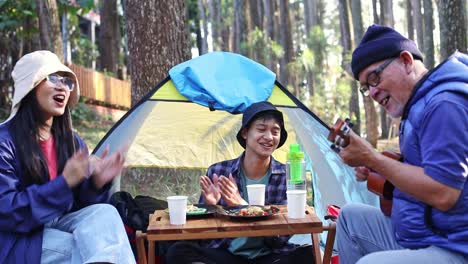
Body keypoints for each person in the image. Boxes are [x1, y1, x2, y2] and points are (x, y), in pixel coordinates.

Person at [335, 24, 468, 263]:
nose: (373, 93)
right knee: (349, 218)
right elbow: (427, 166)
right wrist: (381, 167)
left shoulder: (444, 105)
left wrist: (372, 158)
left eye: (374, 78)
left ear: (406, 60)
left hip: (455, 246)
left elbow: (445, 193)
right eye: (366, 87)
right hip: (425, 234)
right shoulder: (419, 104)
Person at [0, 50, 136, 263]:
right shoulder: (4, 142)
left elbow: (80, 204)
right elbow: (8, 210)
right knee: (86, 248)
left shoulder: (71, 142)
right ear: (30, 87)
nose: (61, 85)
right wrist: (64, 183)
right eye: (52, 78)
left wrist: (96, 184)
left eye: (66, 81)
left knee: (104, 214)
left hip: (60, 224)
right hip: (21, 238)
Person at [165, 101, 314, 263]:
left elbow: (279, 238)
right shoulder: (219, 171)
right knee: (178, 251)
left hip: (269, 257)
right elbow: (203, 235)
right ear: (245, 133)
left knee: (309, 254)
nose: (269, 137)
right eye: (261, 129)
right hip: (227, 255)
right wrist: (210, 207)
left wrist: (245, 207)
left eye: (275, 131)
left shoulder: (287, 175)